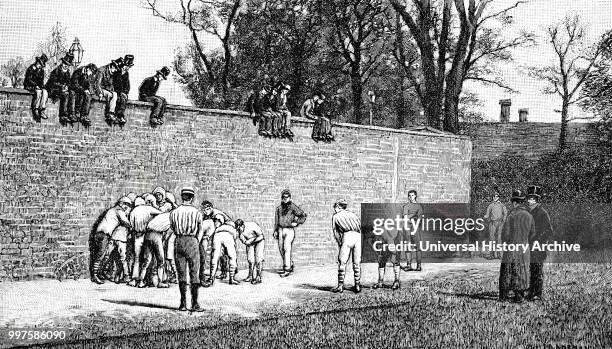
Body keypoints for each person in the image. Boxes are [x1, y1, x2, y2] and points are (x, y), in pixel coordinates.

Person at [170, 187, 205, 311]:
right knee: (194, 272)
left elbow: (173, 228)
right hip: (192, 241)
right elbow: (200, 230)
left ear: (182, 197)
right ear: (192, 198)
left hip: (179, 240)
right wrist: (196, 241)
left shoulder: (174, 212)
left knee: (181, 273)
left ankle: (183, 304)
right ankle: (195, 303)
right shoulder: (196, 212)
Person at [499, 189, 536, 303]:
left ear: (514, 202)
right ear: (522, 202)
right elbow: (533, 234)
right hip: (524, 247)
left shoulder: (511, 215)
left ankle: (503, 296)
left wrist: (505, 243)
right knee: (522, 269)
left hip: (512, 246)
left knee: (507, 270)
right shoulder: (529, 216)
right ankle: (519, 295)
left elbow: (505, 233)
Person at [91, 197, 132, 284]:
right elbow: (126, 222)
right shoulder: (119, 210)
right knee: (101, 255)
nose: (126, 207)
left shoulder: (112, 210)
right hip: (104, 234)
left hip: (100, 233)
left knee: (104, 254)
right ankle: (95, 275)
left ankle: (99, 273)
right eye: (126, 204)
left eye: (128, 205)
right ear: (121, 203)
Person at [526, 185, 553, 301]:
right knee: (531, 269)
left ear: (537, 200)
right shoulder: (526, 211)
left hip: (538, 245)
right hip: (528, 244)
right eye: (529, 198)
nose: (529, 200)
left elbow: (548, 230)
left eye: (532, 198)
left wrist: (538, 240)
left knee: (537, 269)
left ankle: (537, 293)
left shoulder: (542, 212)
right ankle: (531, 291)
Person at [127, 197, 162, 287]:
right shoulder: (148, 208)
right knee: (148, 259)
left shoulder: (133, 212)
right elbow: (161, 214)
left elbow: (131, 226)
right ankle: (145, 280)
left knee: (137, 259)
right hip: (147, 235)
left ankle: (135, 280)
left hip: (137, 236)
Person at [274, 189, 307, 277]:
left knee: (286, 248)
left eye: (287, 197)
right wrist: (275, 231)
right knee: (281, 249)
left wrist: (297, 222)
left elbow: (303, 215)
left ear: (290, 198)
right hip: (280, 229)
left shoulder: (293, 207)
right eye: (283, 197)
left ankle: (287, 269)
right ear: (281, 198)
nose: (285, 199)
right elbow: (276, 221)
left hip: (289, 230)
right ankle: (290, 263)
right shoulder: (278, 208)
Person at [331, 199, 362, 293]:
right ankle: (357, 285)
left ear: (338, 206)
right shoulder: (353, 215)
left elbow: (336, 232)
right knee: (357, 263)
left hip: (347, 236)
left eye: (335, 207)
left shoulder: (336, 216)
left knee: (342, 262)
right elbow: (360, 227)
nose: (335, 209)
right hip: (357, 237)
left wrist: (340, 242)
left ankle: (340, 286)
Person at [202, 213, 240, 287]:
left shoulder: (217, 227)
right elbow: (235, 236)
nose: (216, 223)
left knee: (215, 257)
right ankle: (231, 278)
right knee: (231, 257)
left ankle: (211, 278)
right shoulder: (230, 226)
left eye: (217, 221)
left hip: (219, 237)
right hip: (227, 237)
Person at [141, 212, 171, 288]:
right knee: (161, 260)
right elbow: (167, 235)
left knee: (147, 260)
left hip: (147, 235)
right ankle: (160, 282)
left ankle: (141, 282)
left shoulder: (162, 215)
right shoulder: (172, 217)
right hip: (157, 236)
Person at [45, 53, 74, 125]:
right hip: (53, 90)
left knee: (71, 93)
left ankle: (70, 114)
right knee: (65, 94)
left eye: (68, 65)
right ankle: (63, 115)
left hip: (61, 89)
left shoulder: (67, 73)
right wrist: (62, 87)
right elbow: (53, 82)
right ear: (62, 63)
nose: (66, 66)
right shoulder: (56, 71)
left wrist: (67, 86)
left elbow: (68, 82)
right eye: (65, 64)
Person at [235, 219, 265, 284]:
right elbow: (245, 242)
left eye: (239, 228)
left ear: (242, 225)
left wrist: (252, 240)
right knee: (250, 259)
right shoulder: (240, 234)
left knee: (259, 259)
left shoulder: (252, 225)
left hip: (259, 241)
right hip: (250, 243)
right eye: (237, 229)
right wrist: (248, 242)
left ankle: (258, 277)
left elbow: (261, 236)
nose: (239, 230)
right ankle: (250, 276)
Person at [69, 63, 97, 127]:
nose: (91, 74)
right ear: (88, 69)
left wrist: (91, 92)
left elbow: (89, 84)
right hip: (74, 89)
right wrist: (83, 90)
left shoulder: (87, 75)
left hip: (81, 91)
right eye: (91, 72)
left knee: (88, 96)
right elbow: (74, 84)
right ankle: (74, 114)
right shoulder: (78, 72)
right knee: (78, 95)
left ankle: (84, 116)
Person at [402, 190, 424, 271]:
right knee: (407, 246)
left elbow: (419, 218)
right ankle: (409, 265)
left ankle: (418, 266)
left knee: (417, 247)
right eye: (409, 195)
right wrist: (413, 216)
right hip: (407, 227)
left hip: (415, 228)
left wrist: (413, 220)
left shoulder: (419, 206)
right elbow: (405, 218)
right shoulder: (406, 206)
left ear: (415, 196)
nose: (411, 197)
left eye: (412, 195)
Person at [94, 59, 121, 125]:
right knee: (109, 95)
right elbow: (97, 84)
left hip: (105, 90)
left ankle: (111, 113)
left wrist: (112, 90)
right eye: (115, 69)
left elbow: (110, 85)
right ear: (112, 67)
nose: (115, 71)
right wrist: (100, 93)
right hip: (98, 89)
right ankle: (108, 113)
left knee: (114, 94)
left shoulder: (110, 73)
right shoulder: (101, 70)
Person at [24, 54, 49, 122]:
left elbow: (41, 81)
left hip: (37, 87)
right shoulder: (31, 68)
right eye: (40, 64)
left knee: (45, 92)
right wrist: (35, 85)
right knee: (38, 92)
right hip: (30, 86)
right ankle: (35, 109)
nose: (40, 66)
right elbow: (28, 80)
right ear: (37, 62)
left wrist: (41, 86)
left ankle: (42, 109)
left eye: (41, 65)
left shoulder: (41, 71)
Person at [484, 191, 508, 259]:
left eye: (496, 196)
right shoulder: (491, 205)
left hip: (500, 223)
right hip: (492, 223)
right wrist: (485, 217)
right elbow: (487, 214)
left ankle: (499, 255)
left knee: (499, 239)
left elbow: (505, 213)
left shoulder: (502, 205)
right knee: (492, 239)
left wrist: (504, 220)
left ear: (499, 197)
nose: (495, 197)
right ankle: (491, 255)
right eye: (494, 196)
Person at [112, 54, 134, 126]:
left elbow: (127, 85)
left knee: (123, 97)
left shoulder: (126, 74)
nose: (128, 68)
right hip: (115, 91)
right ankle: (119, 115)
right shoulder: (117, 72)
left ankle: (120, 115)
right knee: (121, 97)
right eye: (127, 66)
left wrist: (125, 92)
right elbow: (114, 83)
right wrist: (120, 92)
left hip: (122, 93)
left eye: (129, 67)